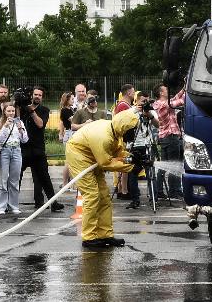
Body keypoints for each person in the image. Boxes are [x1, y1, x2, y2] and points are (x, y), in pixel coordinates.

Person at [65, 111, 138, 248]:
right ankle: (89, 237)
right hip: (79, 155)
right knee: (92, 195)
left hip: (93, 156)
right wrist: (130, 167)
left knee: (104, 196)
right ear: (123, 127)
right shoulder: (104, 136)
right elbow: (106, 163)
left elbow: (116, 152)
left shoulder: (115, 132)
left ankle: (105, 234)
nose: (132, 132)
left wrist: (133, 157)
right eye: (131, 129)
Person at [19, 86, 65, 212]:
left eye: (40, 95)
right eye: (35, 94)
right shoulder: (21, 109)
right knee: (17, 176)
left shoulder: (44, 110)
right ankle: (10, 203)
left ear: (42, 97)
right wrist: (21, 106)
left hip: (38, 149)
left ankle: (52, 202)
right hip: (23, 149)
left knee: (44, 177)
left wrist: (32, 111)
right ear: (31, 95)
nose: (37, 97)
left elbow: (40, 124)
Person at [0, 102, 29, 214]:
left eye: (13, 111)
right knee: (3, 180)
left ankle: (13, 205)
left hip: (16, 151)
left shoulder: (19, 122)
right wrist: (5, 126)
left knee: (14, 180)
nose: (11, 113)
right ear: (4, 111)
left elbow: (25, 140)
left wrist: (20, 129)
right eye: (8, 111)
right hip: (4, 151)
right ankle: (0, 207)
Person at [153, 83, 185, 199]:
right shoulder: (163, 104)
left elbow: (176, 98)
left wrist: (184, 88)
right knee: (174, 164)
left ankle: (159, 191)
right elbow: (179, 102)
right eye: (166, 89)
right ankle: (174, 190)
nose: (168, 90)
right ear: (161, 93)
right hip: (171, 137)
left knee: (164, 165)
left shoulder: (160, 103)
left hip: (165, 138)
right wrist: (189, 93)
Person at [127, 91, 158, 209]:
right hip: (135, 146)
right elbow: (126, 124)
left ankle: (153, 199)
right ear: (137, 101)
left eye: (147, 101)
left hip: (148, 144)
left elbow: (157, 124)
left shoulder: (150, 111)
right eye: (143, 101)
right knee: (133, 173)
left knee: (151, 173)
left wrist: (149, 115)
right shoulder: (131, 111)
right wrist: (137, 111)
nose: (145, 103)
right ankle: (135, 199)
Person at [58, 92, 75, 187]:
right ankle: (65, 183)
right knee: (69, 161)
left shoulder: (70, 109)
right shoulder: (65, 110)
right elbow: (74, 120)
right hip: (69, 134)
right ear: (67, 100)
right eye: (72, 99)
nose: (73, 100)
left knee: (71, 161)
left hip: (72, 133)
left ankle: (69, 183)